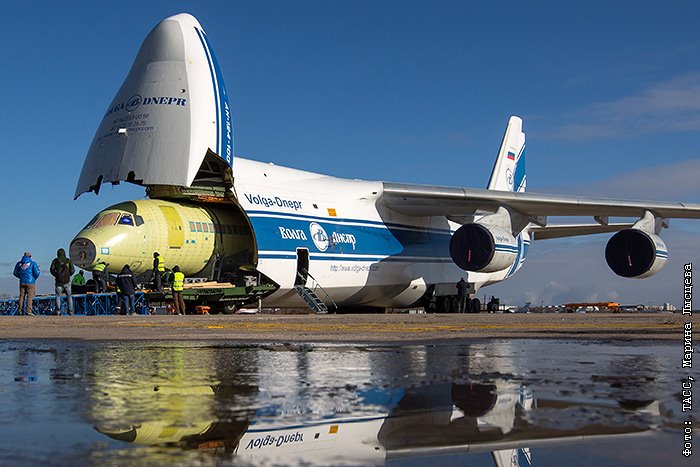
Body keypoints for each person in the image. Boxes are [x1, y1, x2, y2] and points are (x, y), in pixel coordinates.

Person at [13, 252, 40, 316]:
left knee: (21, 296)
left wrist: (21, 277)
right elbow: (37, 273)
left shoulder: (19, 263)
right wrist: (33, 278)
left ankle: (20, 310)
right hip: (31, 282)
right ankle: (28, 311)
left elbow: (15, 273)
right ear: (30, 256)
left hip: (22, 282)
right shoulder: (33, 263)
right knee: (29, 297)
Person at [50, 248, 75, 316]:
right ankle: (71, 311)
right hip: (67, 281)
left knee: (58, 296)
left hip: (58, 282)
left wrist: (56, 275)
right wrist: (69, 275)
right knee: (69, 296)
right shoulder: (68, 261)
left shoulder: (55, 261)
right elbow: (72, 270)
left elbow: (51, 270)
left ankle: (58, 311)